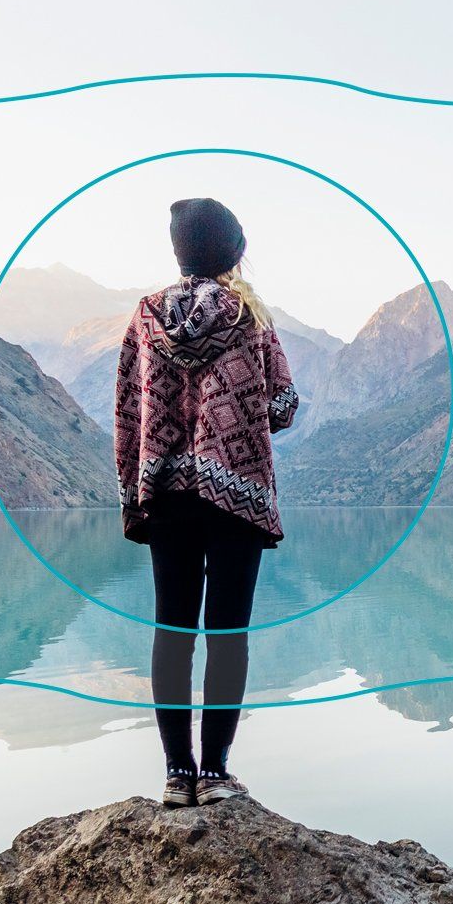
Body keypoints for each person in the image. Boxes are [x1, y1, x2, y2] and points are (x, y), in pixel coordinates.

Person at [114, 198, 298, 808]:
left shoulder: (146, 319)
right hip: (236, 495)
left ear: (179, 251)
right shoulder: (250, 317)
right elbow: (281, 408)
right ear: (234, 251)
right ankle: (215, 774)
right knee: (227, 634)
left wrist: (138, 483)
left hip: (167, 492)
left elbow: (126, 407)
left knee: (172, 632)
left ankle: (175, 775)